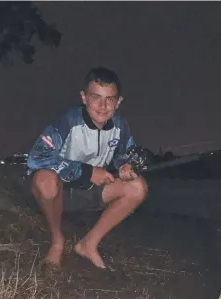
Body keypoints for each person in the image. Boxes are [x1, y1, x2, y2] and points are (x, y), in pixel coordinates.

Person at [26, 67, 148, 269]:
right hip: (59, 192)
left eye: (110, 99)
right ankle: (57, 241)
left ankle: (88, 244)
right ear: (84, 97)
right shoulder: (68, 120)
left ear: (119, 102)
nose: (102, 106)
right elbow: (38, 157)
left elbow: (125, 154)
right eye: (95, 97)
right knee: (44, 180)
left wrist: (126, 166)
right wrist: (87, 172)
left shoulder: (121, 126)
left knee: (138, 187)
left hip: (93, 193)